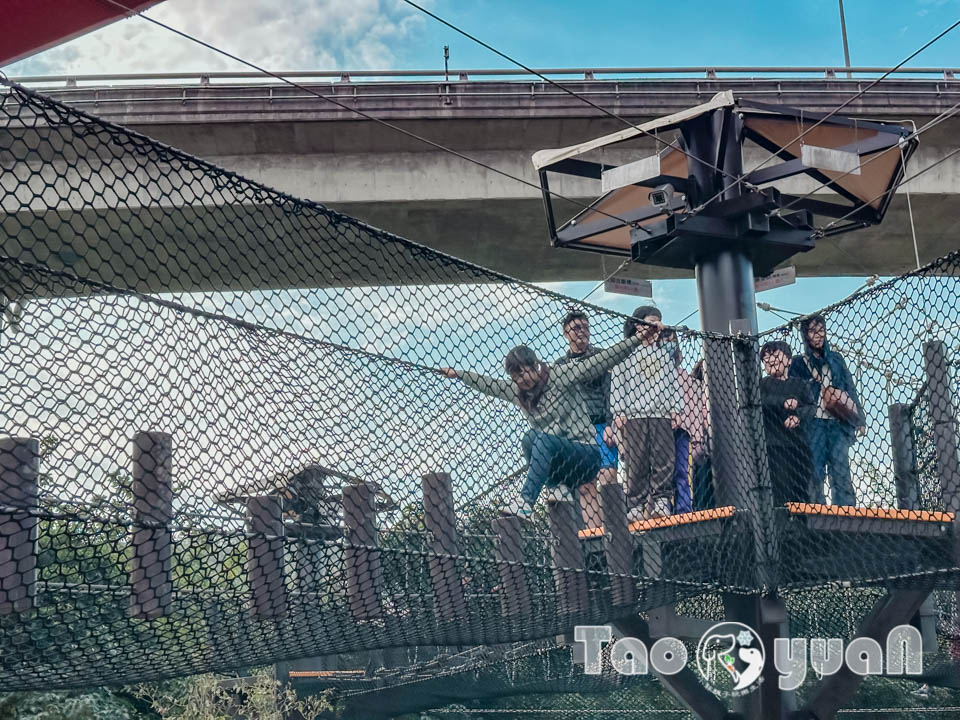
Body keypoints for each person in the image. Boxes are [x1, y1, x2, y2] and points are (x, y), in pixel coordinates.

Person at [440, 334, 643, 518]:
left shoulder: (559, 375)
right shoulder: (518, 391)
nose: (520, 381)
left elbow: (598, 362)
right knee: (529, 439)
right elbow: (490, 385)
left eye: (522, 374)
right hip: (560, 461)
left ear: (535, 366)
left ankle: (526, 501)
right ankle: (557, 487)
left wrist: (636, 339)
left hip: (586, 455)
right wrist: (459, 374)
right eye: (515, 377)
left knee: (542, 439)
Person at [609, 306, 681, 522]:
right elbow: (618, 383)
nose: (657, 328)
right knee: (636, 460)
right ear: (638, 325)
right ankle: (636, 505)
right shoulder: (625, 353)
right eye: (652, 323)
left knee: (663, 458)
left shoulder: (664, 354)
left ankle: (661, 500)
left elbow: (672, 382)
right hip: (634, 414)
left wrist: (676, 409)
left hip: (660, 412)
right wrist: (618, 411)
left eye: (659, 323)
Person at [790, 315, 865, 506]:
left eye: (821, 330)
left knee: (840, 468)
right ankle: (817, 509)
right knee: (815, 470)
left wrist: (860, 419)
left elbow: (849, 387)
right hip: (813, 422)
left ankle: (847, 510)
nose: (818, 335)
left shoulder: (836, 359)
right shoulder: (799, 363)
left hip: (837, 421)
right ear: (805, 335)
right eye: (813, 331)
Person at [554, 309, 617, 529]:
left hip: (601, 423)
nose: (582, 332)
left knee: (608, 476)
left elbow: (611, 391)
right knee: (585, 484)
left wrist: (610, 423)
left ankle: (615, 527)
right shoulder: (560, 366)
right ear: (566, 333)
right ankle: (596, 532)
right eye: (577, 328)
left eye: (586, 328)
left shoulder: (600, 357)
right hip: (577, 430)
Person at [760, 340, 816, 506]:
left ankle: (803, 522)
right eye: (766, 357)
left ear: (789, 360)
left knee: (802, 486)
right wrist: (783, 402)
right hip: (775, 445)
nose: (770, 358)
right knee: (781, 487)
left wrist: (797, 416)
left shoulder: (800, 385)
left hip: (799, 444)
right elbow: (762, 402)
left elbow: (812, 408)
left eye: (775, 354)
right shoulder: (764, 384)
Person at [659, 328, 702, 515]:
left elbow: (694, 407)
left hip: (682, 430)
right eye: (665, 339)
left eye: (672, 339)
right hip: (661, 429)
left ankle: (684, 508)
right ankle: (664, 508)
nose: (669, 342)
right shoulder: (655, 376)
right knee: (663, 473)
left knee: (682, 471)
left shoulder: (684, 376)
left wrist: (697, 435)